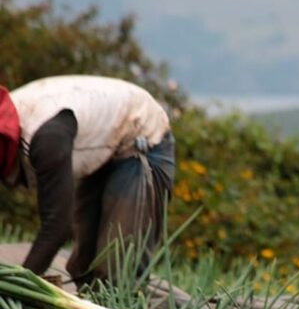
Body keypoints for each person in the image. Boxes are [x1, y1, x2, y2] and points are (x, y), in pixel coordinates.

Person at [0, 75, 175, 286]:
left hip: (143, 139)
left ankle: (179, 306)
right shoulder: (8, 120)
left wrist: (17, 285)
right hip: (102, 146)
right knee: (83, 267)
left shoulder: (46, 140)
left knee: (116, 271)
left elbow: (57, 226)